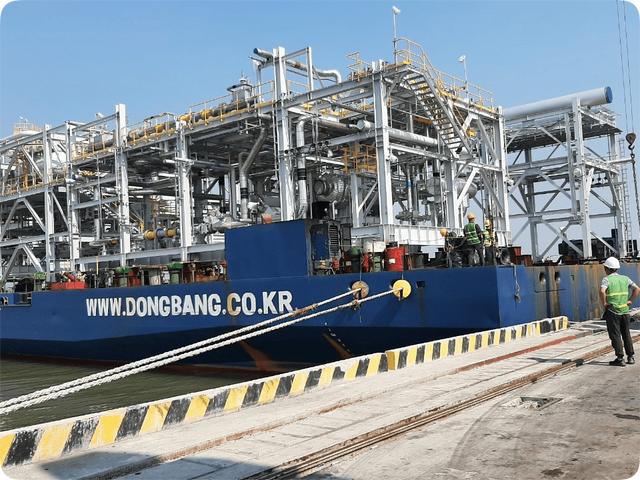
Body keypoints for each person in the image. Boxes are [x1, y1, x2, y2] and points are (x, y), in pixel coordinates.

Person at [600, 257, 640, 366]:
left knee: (615, 335)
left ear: (606, 268)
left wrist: (604, 304)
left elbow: (602, 291)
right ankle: (631, 357)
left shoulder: (606, 280)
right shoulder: (625, 279)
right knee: (626, 334)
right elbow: (637, 289)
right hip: (625, 311)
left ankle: (620, 358)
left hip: (613, 311)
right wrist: (630, 301)